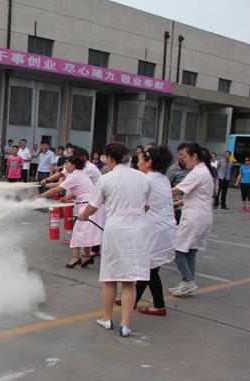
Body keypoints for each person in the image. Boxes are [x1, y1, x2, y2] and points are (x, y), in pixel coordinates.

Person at [78, 142, 151, 337]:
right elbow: (147, 206)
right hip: (138, 228)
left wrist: (83, 215)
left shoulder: (106, 179)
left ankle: (107, 318)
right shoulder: (143, 177)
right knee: (130, 280)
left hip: (116, 228)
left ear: (110, 158)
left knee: (110, 277)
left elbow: (93, 206)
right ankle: (125, 325)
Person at [128, 146, 176, 316]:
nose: (137, 163)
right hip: (164, 228)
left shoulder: (146, 179)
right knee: (149, 266)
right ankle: (132, 299)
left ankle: (159, 306)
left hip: (155, 229)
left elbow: (135, 203)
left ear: (148, 163)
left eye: (140, 160)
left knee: (149, 268)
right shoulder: (162, 178)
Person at [36, 155, 104, 268]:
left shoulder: (75, 176)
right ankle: (88, 257)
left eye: (67, 164)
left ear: (73, 165)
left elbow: (55, 190)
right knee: (84, 233)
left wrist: (39, 196)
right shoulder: (80, 174)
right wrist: (65, 198)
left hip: (88, 206)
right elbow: (77, 192)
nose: (65, 166)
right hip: (89, 205)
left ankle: (76, 258)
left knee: (77, 233)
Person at [168, 143, 215, 297]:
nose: (183, 159)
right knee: (190, 252)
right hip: (203, 216)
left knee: (177, 250)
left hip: (194, 217)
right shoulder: (204, 171)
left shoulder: (197, 173)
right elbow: (199, 195)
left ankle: (188, 281)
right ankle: (186, 284)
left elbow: (177, 190)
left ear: (194, 156)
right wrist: (180, 203)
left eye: (185, 156)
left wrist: (157, 192)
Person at [167, 143, 190, 224]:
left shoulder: (194, 169)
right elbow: (167, 186)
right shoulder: (173, 170)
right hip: (177, 206)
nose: (182, 157)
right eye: (180, 155)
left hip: (190, 206)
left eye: (184, 155)